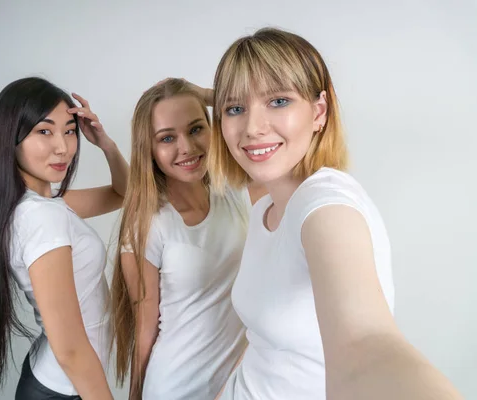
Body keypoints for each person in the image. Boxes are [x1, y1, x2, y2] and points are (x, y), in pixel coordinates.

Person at [207, 27, 462, 399]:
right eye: (235, 109)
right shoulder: (265, 206)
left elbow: (367, 342)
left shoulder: (325, 204)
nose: (252, 128)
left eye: (278, 101)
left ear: (319, 111)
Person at [0, 77, 128, 400]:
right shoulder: (42, 218)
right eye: (44, 131)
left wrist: (105, 144)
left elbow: (124, 193)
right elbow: (70, 349)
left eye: (69, 130)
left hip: (58, 381)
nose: (63, 147)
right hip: (64, 388)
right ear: (10, 139)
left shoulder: (43, 205)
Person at [110, 78, 264, 399]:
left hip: (239, 385)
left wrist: (208, 96)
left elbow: (257, 115)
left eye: (196, 129)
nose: (187, 148)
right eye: (167, 138)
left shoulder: (234, 190)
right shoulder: (147, 224)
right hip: (176, 387)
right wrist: (135, 394)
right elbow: (145, 325)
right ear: (148, 150)